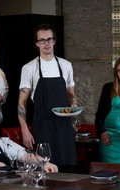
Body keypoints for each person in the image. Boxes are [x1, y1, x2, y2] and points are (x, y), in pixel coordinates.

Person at [18, 24, 77, 173]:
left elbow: (71, 95)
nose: (46, 43)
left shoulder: (66, 65)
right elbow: (21, 102)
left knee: (67, 171)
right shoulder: (29, 68)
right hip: (42, 125)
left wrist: (74, 107)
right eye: (42, 40)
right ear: (37, 43)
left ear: (54, 41)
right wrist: (25, 131)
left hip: (64, 126)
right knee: (44, 169)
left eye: (49, 39)